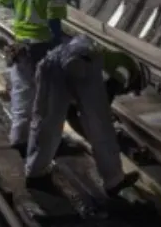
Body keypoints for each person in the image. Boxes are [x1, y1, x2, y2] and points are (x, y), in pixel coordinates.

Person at [25, 35, 145, 197]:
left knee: (46, 121)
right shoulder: (126, 68)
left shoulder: (108, 54)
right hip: (83, 63)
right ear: (137, 79)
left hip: (50, 62)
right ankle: (114, 180)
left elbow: (73, 110)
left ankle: (36, 173)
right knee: (101, 127)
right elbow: (104, 99)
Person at [0, 0, 76, 155]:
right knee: (47, 100)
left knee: (22, 93)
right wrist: (60, 49)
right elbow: (55, 23)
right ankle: (48, 144)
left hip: (19, 45)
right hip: (42, 47)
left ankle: (19, 139)